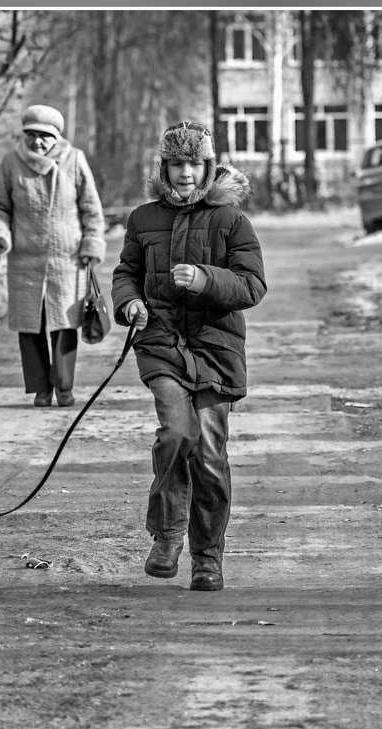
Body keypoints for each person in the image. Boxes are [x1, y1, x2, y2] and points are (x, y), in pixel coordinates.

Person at [111, 121, 266, 591]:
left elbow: (252, 285)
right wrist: (129, 301)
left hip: (216, 348)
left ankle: (207, 556)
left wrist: (204, 280)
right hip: (160, 343)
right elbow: (127, 272)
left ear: (208, 166)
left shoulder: (231, 220)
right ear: (164, 167)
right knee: (177, 433)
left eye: (193, 164)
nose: (184, 173)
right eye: (176, 164)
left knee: (210, 455)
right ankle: (168, 533)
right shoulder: (143, 218)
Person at [0, 104, 106, 408]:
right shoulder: (11, 163)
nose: (38, 141)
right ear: (24, 135)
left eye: (45, 136)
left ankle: (64, 387)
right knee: (30, 327)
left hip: (68, 259)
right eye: (32, 134)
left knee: (65, 324)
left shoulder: (74, 159)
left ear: (56, 136)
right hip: (25, 259)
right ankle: (40, 389)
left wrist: (91, 243)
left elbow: (91, 208)